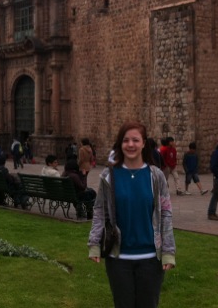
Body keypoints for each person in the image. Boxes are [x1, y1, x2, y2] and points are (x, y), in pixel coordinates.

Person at [88, 121, 175, 308]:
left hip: (151, 258)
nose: (130, 144)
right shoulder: (108, 175)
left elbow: (165, 213)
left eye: (135, 140)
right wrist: (94, 243)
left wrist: (168, 251)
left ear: (144, 143)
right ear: (120, 144)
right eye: (126, 140)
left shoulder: (156, 176)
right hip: (119, 259)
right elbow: (99, 210)